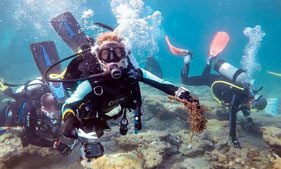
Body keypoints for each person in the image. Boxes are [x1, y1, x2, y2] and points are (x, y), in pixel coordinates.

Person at [61, 32, 200, 157]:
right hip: (96, 114)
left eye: (117, 53)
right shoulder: (92, 81)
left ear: (124, 54)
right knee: (93, 135)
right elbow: (70, 103)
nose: (113, 60)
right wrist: (68, 118)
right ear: (99, 57)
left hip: (117, 111)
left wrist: (181, 93)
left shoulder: (132, 72)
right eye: (105, 55)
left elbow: (162, 84)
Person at [167, 39, 267, 149]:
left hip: (216, 80)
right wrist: (233, 138)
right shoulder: (238, 96)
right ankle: (187, 57)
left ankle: (209, 61)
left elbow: (243, 105)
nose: (250, 109)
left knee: (205, 78)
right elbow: (232, 117)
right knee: (185, 81)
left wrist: (248, 119)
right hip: (212, 81)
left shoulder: (247, 92)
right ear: (253, 101)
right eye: (253, 108)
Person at [0, 78, 71, 155]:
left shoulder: (53, 94)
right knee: (27, 136)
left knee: (52, 129)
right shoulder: (29, 109)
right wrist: (54, 145)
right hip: (6, 117)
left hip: (34, 115)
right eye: (54, 111)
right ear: (44, 108)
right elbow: (31, 138)